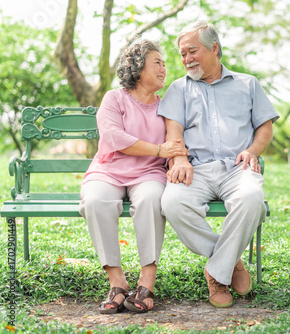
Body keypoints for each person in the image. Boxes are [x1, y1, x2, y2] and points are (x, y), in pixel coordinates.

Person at [157, 21, 279, 308]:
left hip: (237, 168)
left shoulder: (248, 83)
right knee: (172, 203)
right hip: (195, 169)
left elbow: (265, 127)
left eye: (192, 51)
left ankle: (216, 274)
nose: (186, 59)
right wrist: (179, 158)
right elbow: (173, 132)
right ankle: (229, 261)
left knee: (252, 200)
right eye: (182, 54)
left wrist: (253, 150)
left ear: (214, 48)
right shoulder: (178, 89)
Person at [79, 40, 188, 314]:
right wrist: (158, 149)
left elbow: (175, 143)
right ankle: (117, 283)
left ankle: (146, 283)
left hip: (149, 173)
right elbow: (114, 137)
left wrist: (174, 155)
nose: (164, 69)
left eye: (164, 64)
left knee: (152, 199)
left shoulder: (166, 107)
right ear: (138, 68)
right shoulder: (114, 98)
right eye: (157, 63)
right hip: (109, 170)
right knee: (94, 201)